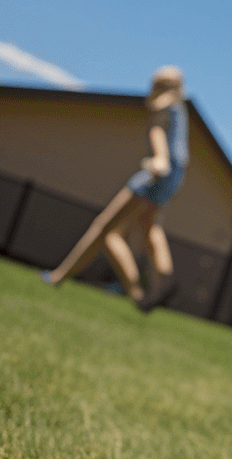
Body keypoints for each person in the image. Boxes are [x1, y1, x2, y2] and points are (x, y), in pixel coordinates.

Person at [42, 66, 189, 313]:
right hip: (175, 176)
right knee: (148, 228)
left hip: (158, 172)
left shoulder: (163, 104)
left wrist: (159, 160)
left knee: (105, 228)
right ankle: (163, 281)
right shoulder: (181, 110)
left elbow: (157, 134)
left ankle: (59, 276)